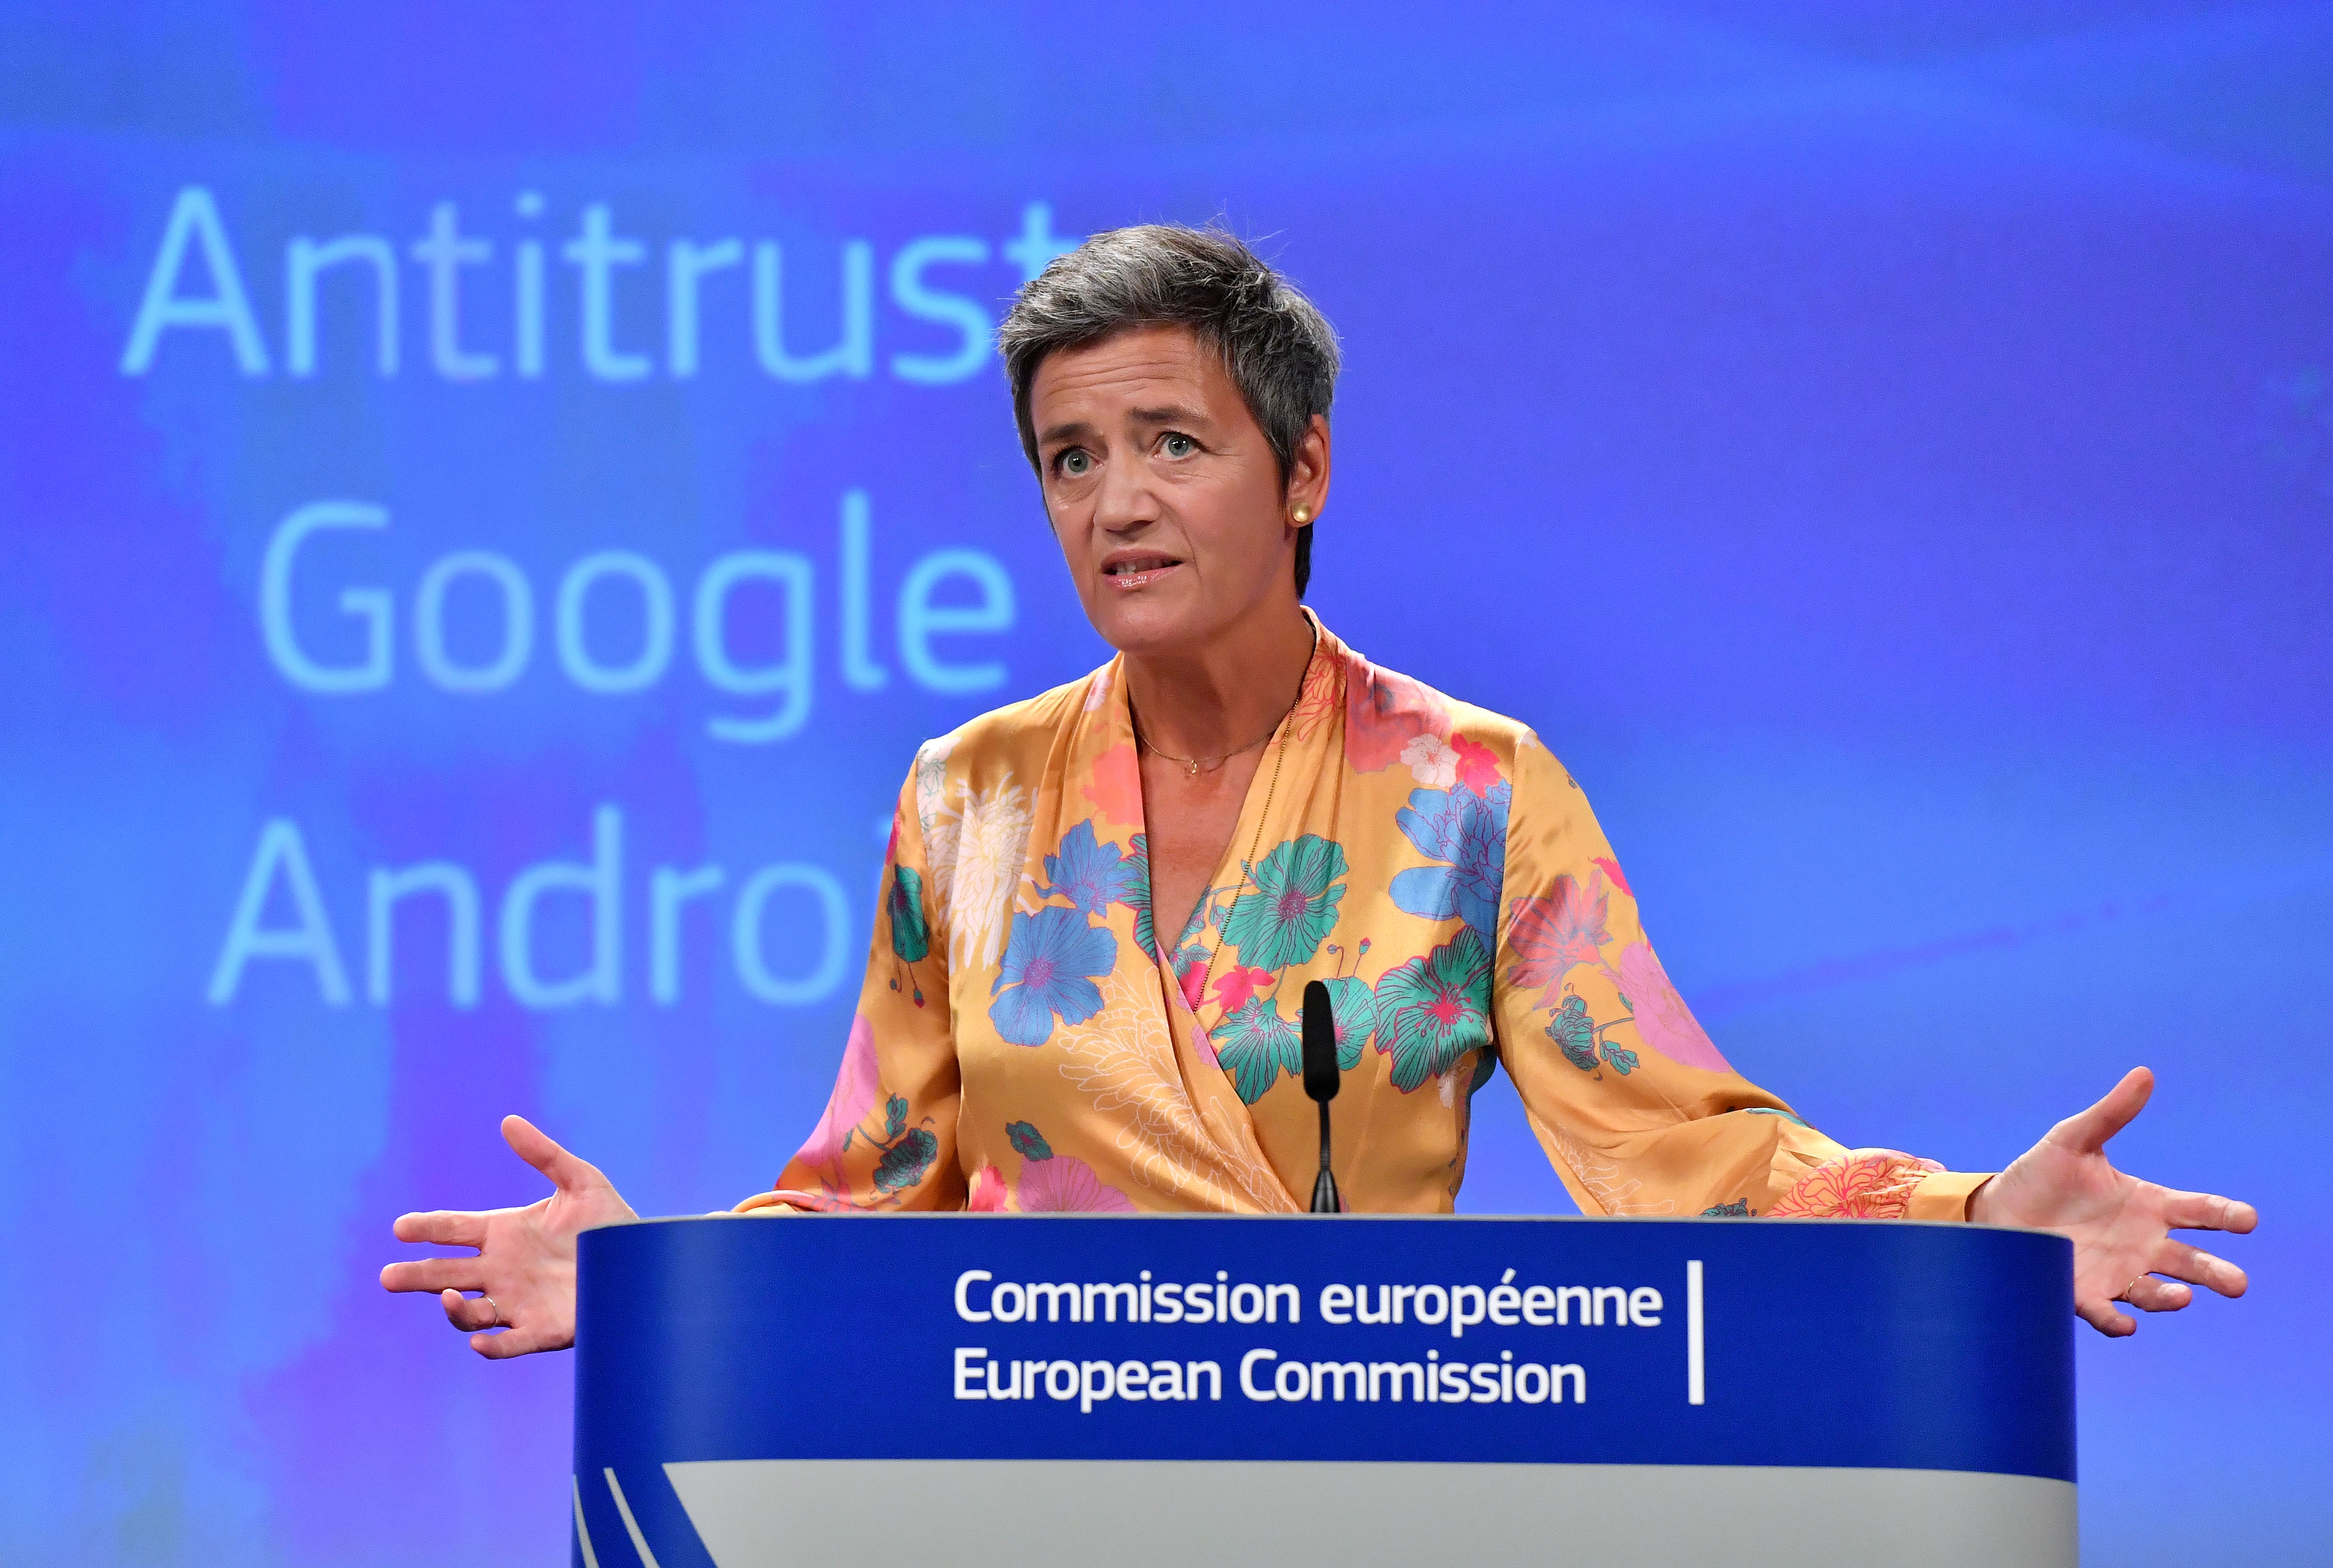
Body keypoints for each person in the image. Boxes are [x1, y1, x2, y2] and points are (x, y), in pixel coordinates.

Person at [384, 224, 2254, 1358]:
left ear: (1301, 469)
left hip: (1355, 1469)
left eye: (1169, 444)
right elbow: (870, 1195)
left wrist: (1966, 1212)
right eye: (1066, 458)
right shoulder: (965, 797)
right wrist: (648, 1283)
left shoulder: (1469, 789)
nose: (1110, 502)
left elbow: (1686, 1149)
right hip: (999, 1485)